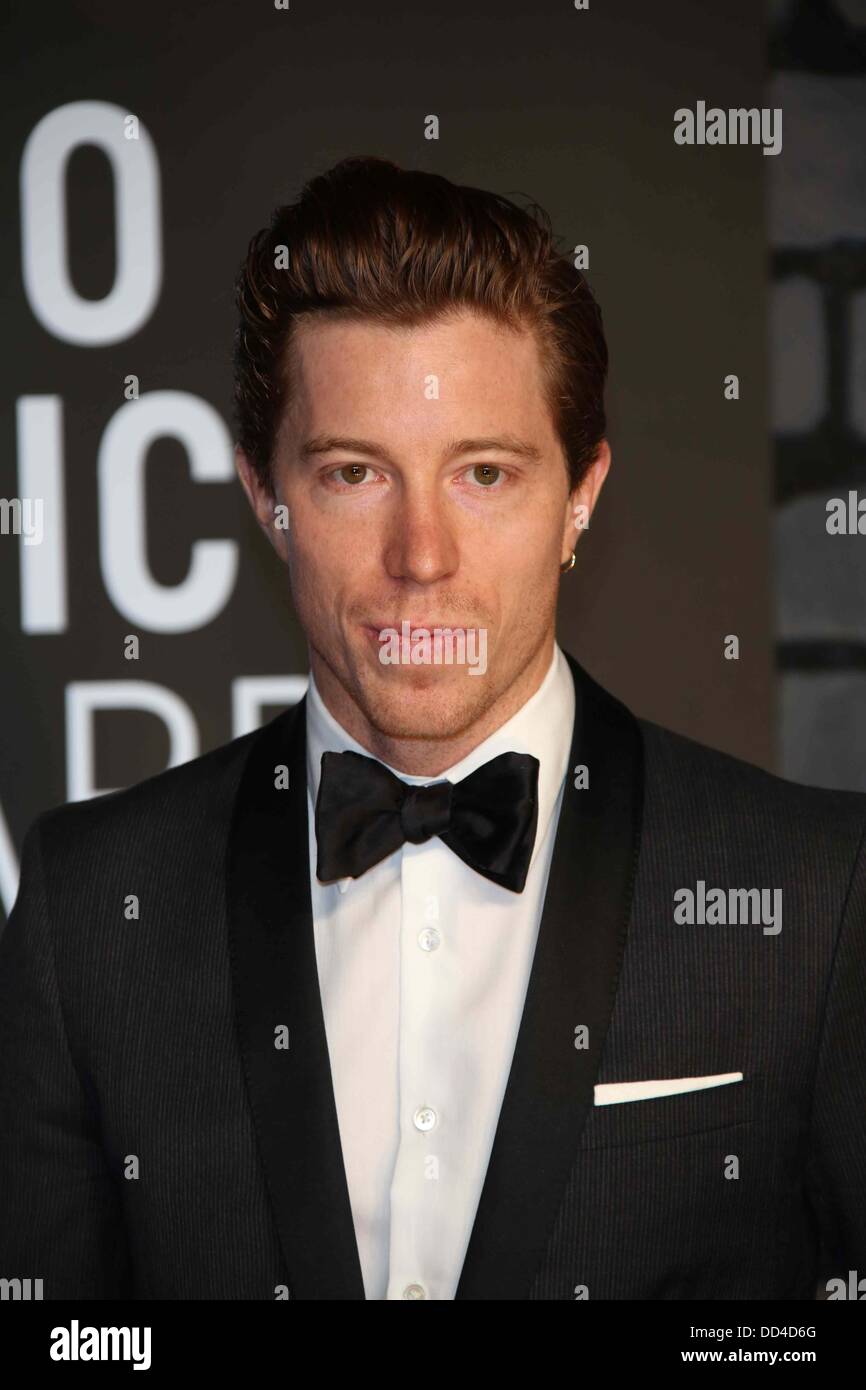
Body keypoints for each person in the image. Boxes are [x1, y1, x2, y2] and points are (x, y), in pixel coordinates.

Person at [1, 156, 864, 1301]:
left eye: (484, 475)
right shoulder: (86, 908)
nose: (421, 557)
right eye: (355, 473)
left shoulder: (814, 897)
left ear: (580, 494)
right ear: (265, 495)